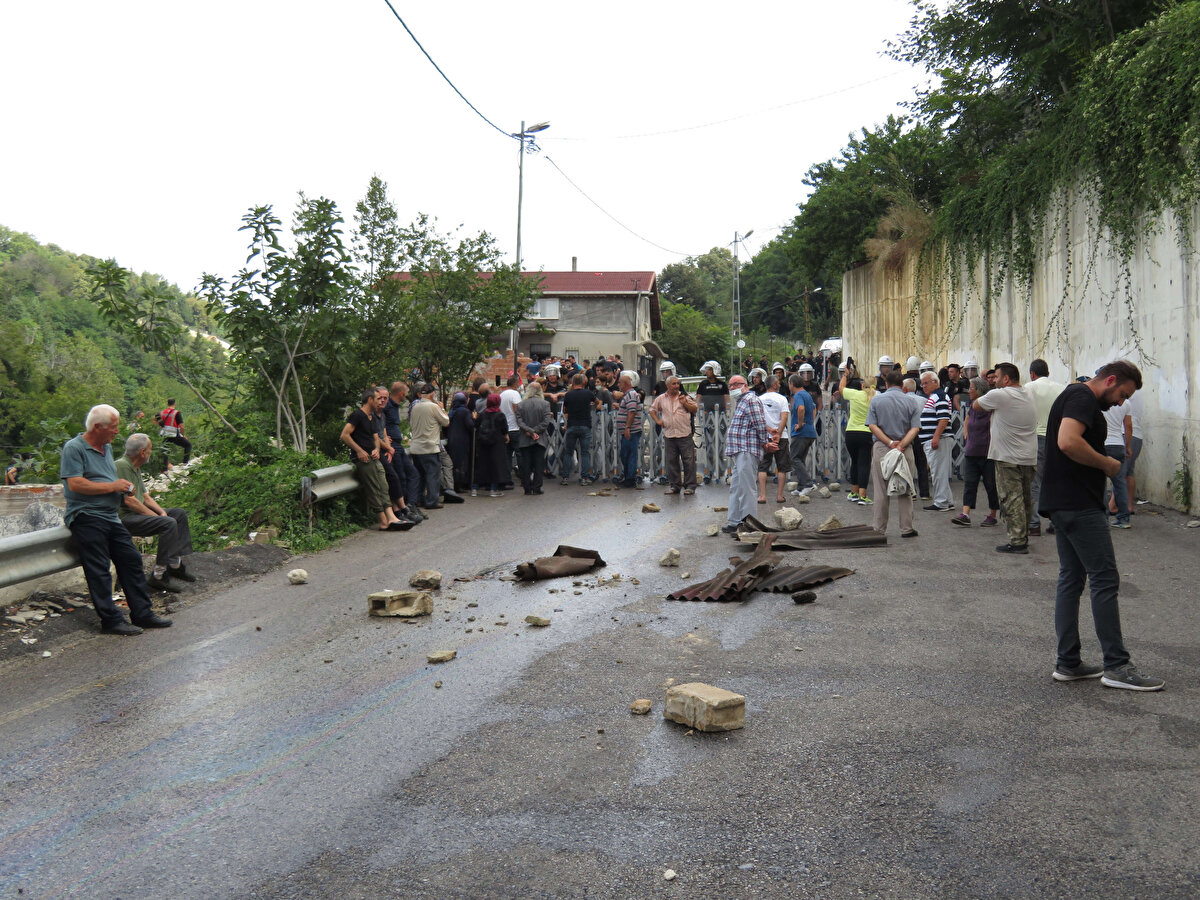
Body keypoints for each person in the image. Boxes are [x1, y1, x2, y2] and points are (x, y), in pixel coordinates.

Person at [1040, 360, 1163, 690]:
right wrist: (1107, 463)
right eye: (1122, 394)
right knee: (1104, 578)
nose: (1122, 402)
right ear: (1110, 380)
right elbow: (1068, 441)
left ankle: (1068, 662)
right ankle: (1117, 665)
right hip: (1079, 505)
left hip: (1064, 504)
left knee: (1072, 578)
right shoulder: (1082, 398)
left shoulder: (1074, 395)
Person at [60, 405, 173, 635]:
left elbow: (108, 478)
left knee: (131, 559)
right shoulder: (74, 448)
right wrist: (113, 486)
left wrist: (122, 489)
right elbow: (75, 484)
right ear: (97, 427)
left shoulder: (107, 448)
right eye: (113, 427)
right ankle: (110, 620)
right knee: (100, 569)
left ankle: (142, 613)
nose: (117, 431)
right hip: (87, 516)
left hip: (110, 517)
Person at [116, 432, 197, 593]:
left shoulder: (135, 467)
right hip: (126, 518)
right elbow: (129, 501)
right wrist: (156, 518)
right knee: (168, 524)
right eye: (150, 449)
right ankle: (158, 576)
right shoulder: (121, 466)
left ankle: (174, 564)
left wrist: (161, 513)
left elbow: (145, 497)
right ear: (142, 452)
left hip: (138, 514)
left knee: (177, 515)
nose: (151, 452)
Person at [974, 362, 1038, 554]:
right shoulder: (1029, 393)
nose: (993, 381)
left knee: (1011, 499)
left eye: (996, 377)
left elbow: (977, 405)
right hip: (1028, 456)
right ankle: (1023, 535)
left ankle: (1017, 541)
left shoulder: (999, 395)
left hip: (1007, 456)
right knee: (1025, 499)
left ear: (1006, 379)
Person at [340, 389, 413, 531]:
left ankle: (390, 518)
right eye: (378, 398)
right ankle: (384, 521)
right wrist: (359, 450)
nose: (381, 401)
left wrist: (377, 449)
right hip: (363, 459)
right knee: (375, 488)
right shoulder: (357, 415)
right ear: (370, 400)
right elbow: (344, 435)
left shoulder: (371, 417)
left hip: (374, 456)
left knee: (384, 486)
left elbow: (376, 438)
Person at [866, 370, 920, 538]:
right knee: (905, 487)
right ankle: (907, 528)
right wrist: (902, 444)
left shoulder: (876, 401)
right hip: (905, 449)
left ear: (886, 384)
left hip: (882, 447)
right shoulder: (911, 402)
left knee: (881, 490)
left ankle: (879, 529)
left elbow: (872, 426)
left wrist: (889, 443)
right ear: (902, 385)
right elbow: (915, 428)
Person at [721, 375, 776, 534]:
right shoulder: (742, 401)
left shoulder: (750, 399)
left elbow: (758, 423)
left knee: (746, 488)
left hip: (746, 448)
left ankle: (749, 524)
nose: (731, 388)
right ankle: (734, 521)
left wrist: (765, 442)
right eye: (730, 385)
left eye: (734, 385)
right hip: (739, 450)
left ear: (744, 385)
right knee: (737, 487)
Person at [952, 377, 1000, 527]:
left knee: (990, 485)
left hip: (987, 452)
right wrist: (966, 434)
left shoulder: (989, 405)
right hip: (972, 450)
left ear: (979, 390)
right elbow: (967, 418)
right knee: (969, 484)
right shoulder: (974, 405)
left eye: (971, 389)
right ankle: (965, 514)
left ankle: (993, 514)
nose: (969, 391)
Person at [1026, 359, 1065, 535]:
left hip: (1036, 437)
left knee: (1035, 482)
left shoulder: (1028, 388)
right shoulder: (1061, 388)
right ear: (1048, 373)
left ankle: (1034, 524)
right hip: (1058, 437)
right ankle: (1055, 522)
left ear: (1032, 374)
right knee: (1055, 482)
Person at [649, 375, 698, 495]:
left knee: (688, 461)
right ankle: (675, 486)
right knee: (672, 461)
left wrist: (685, 403)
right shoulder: (661, 398)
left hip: (684, 434)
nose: (676, 386)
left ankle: (690, 486)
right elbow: (652, 410)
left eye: (677, 384)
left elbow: (695, 408)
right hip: (670, 434)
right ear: (667, 385)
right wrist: (658, 421)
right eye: (673, 384)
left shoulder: (684, 397)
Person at [834, 360, 874, 505]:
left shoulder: (856, 394)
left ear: (863, 385)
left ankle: (854, 492)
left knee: (855, 462)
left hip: (851, 432)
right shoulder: (876, 397)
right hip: (866, 433)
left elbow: (841, 387)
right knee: (864, 464)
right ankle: (863, 495)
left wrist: (845, 374)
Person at [409, 383, 450, 509]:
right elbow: (446, 422)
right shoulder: (433, 406)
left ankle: (418, 499)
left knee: (420, 475)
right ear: (432, 394)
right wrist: (442, 408)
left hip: (416, 447)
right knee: (433, 475)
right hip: (430, 447)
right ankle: (432, 501)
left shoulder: (415, 407)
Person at [918, 371, 954, 511]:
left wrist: (936, 436)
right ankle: (948, 501)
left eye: (926, 383)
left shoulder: (939, 396)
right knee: (940, 471)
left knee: (938, 472)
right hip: (937, 439)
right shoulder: (936, 396)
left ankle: (941, 502)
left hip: (939, 439)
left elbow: (944, 418)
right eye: (922, 383)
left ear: (935, 382)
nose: (923, 386)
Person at [560, 373, 599, 485]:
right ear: (583, 382)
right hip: (585, 425)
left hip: (572, 425)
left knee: (568, 452)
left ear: (573, 382)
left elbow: (564, 410)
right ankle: (584, 478)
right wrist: (596, 407)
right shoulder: (588, 393)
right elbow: (598, 402)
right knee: (585, 453)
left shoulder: (568, 395)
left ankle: (565, 478)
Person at [514, 381, 552, 495]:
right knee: (538, 464)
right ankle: (537, 487)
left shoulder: (521, 404)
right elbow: (546, 422)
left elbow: (519, 421)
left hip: (525, 439)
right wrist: (535, 431)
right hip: (539, 439)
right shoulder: (545, 404)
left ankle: (526, 487)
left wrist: (529, 431)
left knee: (526, 464)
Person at [757, 375, 791, 504]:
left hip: (764, 436)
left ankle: (763, 496)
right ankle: (779, 496)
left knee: (763, 466)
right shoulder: (782, 399)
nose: (780, 385)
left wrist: (768, 429)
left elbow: (758, 419)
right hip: (781, 437)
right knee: (782, 467)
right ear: (773, 385)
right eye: (778, 383)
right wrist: (779, 433)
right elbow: (784, 417)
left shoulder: (759, 399)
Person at [787, 373, 817, 497]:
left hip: (800, 433)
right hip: (809, 432)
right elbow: (814, 408)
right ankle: (800, 487)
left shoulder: (798, 395)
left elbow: (800, 409)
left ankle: (808, 484)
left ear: (792, 384)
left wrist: (800, 423)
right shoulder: (807, 394)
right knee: (800, 459)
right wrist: (810, 422)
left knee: (794, 458)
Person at [614, 370, 644, 488]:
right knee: (625, 454)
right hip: (628, 430)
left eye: (620, 383)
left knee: (629, 454)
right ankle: (628, 477)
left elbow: (632, 412)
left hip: (631, 431)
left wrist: (627, 427)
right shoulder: (629, 395)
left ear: (625, 384)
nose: (618, 385)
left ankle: (630, 478)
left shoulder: (631, 394)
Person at [446, 392, 475, 494]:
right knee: (462, 463)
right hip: (462, 440)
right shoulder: (465, 411)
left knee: (454, 463)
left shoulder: (452, 411)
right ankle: (460, 485)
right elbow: (470, 426)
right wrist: (474, 419)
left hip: (452, 439)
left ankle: (454, 484)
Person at [499, 375, 522, 487]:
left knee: (507, 455)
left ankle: (507, 479)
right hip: (515, 428)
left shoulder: (501, 394)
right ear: (515, 383)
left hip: (505, 428)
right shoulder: (515, 394)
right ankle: (524, 477)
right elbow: (516, 409)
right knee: (520, 453)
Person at [157, 398, 191, 465]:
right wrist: (183, 435)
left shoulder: (162, 412)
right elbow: (182, 426)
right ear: (175, 404)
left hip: (165, 435)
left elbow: (155, 420)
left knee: (165, 450)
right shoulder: (176, 413)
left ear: (167, 404)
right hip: (174, 434)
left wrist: (161, 425)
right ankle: (185, 463)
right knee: (188, 445)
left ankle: (165, 469)